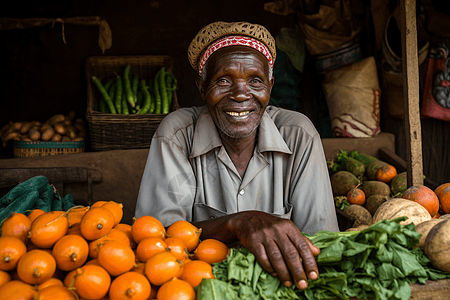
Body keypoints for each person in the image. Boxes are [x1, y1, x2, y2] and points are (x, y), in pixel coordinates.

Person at [134, 21, 339, 290]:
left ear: (271, 86)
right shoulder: (177, 134)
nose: (241, 94)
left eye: (255, 80)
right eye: (223, 80)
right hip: (196, 287)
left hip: (281, 289)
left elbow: (320, 242)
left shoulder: (298, 134)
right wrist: (236, 225)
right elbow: (155, 244)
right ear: (201, 86)